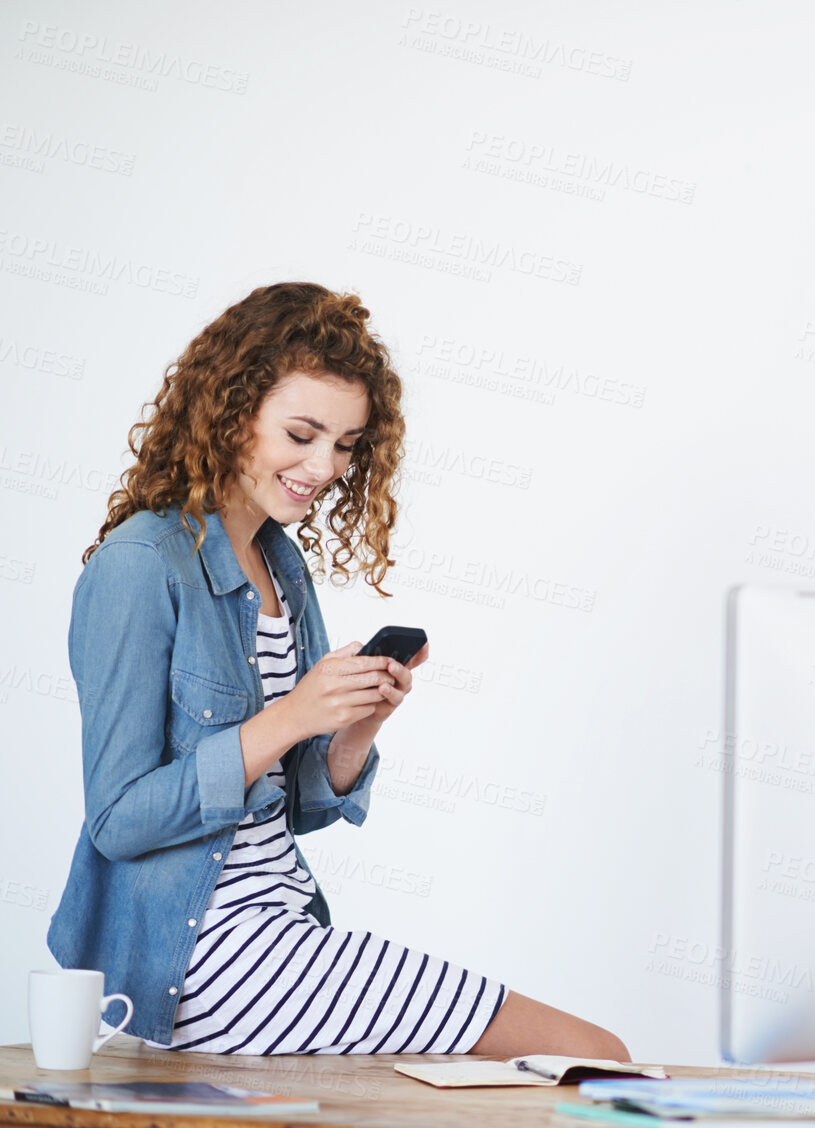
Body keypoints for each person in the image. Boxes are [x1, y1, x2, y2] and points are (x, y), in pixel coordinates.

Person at [46, 282, 627, 1059]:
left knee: (559, 1070)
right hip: (205, 961)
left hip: (284, 928)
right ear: (229, 408)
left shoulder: (282, 568)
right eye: (301, 432)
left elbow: (299, 811)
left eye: (346, 444)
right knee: (596, 1055)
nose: (323, 466)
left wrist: (354, 726)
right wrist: (291, 715)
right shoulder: (140, 566)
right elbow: (118, 820)